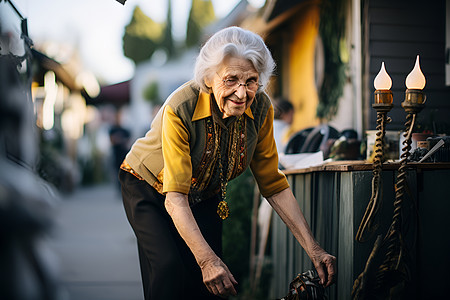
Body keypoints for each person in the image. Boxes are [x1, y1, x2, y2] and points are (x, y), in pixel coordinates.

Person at [119, 26, 336, 300]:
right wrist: (206, 261)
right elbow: (175, 199)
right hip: (148, 185)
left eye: (251, 81)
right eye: (231, 79)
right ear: (209, 78)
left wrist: (315, 250)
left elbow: (274, 184)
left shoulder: (261, 110)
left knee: (214, 284)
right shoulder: (181, 107)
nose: (242, 93)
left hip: (203, 191)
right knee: (170, 270)